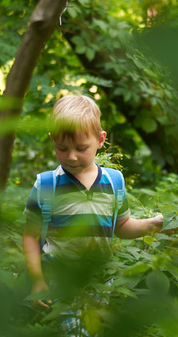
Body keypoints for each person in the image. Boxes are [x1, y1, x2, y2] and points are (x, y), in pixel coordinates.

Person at [22, 94, 165, 312]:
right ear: (52, 139)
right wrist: (37, 280)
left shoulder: (114, 181)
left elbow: (121, 226)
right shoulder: (46, 185)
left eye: (80, 148)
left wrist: (151, 225)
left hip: (100, 282)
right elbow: (30, 236)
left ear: (100, 140)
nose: (71, 157)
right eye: (62, 148)